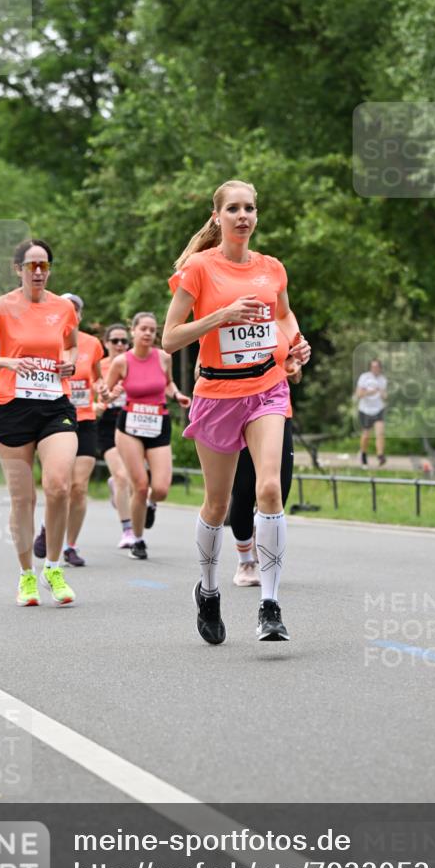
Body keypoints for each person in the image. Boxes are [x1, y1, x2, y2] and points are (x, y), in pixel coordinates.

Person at [163, 179, 311, 645]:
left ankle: (270, 605)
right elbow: (170, 337)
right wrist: (220, 317)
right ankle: (207, 590)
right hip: (216, 395)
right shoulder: (199, 269)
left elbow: (283, 317)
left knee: (269, 488)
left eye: (249, 208)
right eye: (233, 209)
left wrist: (296, 344)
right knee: (218, 504)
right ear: (217, 218)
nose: (242, 215)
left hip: (266, 389)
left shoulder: (272, 269)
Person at [0, 238, 79, 606]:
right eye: (31, 266)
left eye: (44, 265)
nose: (39, 272)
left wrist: (70, 363)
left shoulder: (63, 308)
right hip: (13, 407)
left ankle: (54, 567)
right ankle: (27, 574)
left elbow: (72, 346)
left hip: (54, 405)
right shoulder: (0, 307)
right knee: (23, 498)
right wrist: (7, 363)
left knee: (59, 485)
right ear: (18, 270)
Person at [106, 311, 191, 560]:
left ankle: (151, 505)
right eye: (143, 328)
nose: (147, 333)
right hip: (130, 425)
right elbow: (107, 393)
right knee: (140, 486)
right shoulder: (121, 361)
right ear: (133, 331)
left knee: (161, 488)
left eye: (152, 330)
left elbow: (168, 383)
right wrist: (107, 394)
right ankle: (138, 539)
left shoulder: (164, 357)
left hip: (158, 423)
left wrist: (177, 395)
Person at [33, 293, 103, 566]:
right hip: (51, 419)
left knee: (78, 487)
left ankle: (70, 545)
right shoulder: (41, 340)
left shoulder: (92, 344)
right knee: (58, 484)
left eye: (74, 310)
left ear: (79, 316)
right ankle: (46, 525)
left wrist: (104, 393)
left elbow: (96, 380)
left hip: (83, 420)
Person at [229, 355, 301, 587]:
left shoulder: (284, 324)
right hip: (239, 412)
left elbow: (295, 373)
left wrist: (294, 367)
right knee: (243, 490)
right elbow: (202, 371)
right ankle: (245, 561)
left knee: (277, 490)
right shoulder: (229, 319)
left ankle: (261, 534)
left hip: (278, 413)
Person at [97, 323, 135, 549]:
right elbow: (91, 393)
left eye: (124, 341)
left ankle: (120, 489)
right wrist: (101, 401)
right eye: (115, 341)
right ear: (106, 343)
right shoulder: (98, 366)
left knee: (137, 479)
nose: (120, 345)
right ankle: (128, 530)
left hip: (135, 419)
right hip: (108, 421)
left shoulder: (137, 363)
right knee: (122, 476)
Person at [356, 358, 387, 467]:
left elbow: (385, 396)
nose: (375, 368)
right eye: (373, 366)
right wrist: (370, 392)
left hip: (378, 409)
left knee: (380, 432)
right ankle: (363, 454)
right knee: (366, 435)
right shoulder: (364, 377)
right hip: (365, 410)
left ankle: (380, 455)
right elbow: (359, 394)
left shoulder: (382, 379)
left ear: (380, 368)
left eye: (377, 366)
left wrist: (383, 393)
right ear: (370, 367)